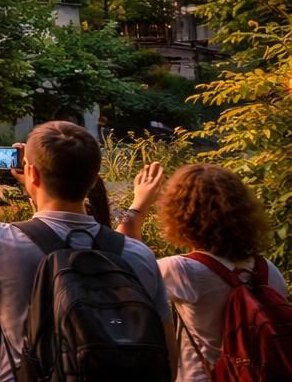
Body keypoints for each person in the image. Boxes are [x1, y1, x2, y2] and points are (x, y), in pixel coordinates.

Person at [0, 121, 171, 382]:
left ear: (33, 174)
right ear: (94, 176)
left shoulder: (0, 242)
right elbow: (166, 356)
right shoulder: (137, 255)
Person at [120, 162, 289, 382]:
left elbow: (123, 261)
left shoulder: (183, 271)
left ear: (180, 216)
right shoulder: (268, 271)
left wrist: (138, 204)